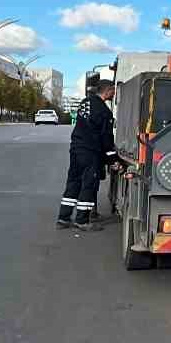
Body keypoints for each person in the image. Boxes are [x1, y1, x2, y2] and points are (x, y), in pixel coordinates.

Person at [56, 79, 119, 231]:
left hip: (76, 148)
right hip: (91, 152)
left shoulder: (85, 102)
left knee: (73, 182)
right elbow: (106, 139)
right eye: (113, 91)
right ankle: (82, 221)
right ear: (108, 90)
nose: (114, 93)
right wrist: (113, 160)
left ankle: (63, 218)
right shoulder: (104, 112)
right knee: (89, 185)